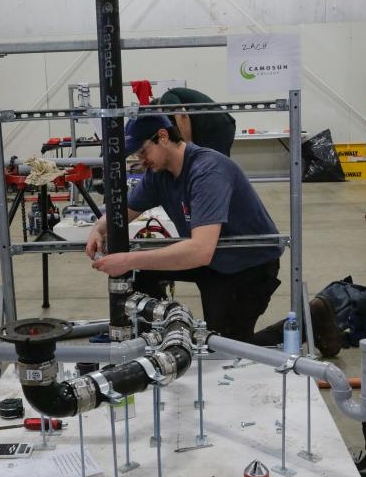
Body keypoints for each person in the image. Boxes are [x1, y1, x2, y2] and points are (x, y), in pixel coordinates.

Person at [85, 114, 282, 342]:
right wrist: (99, 229)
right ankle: (153, 335)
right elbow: (123, 212)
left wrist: (128, 260)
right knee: (139, 271)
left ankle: (318, 314)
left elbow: (200, 250)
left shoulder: (207, 171)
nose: (141, 160)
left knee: (223, 349)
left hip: (246, 265)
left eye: (143, 151)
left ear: (163, 136)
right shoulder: (158, 174)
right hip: (213, 259)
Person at [156, 87, 236, 156]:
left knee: (213, 165)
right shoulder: (176, 100)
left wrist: (189, 147)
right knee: (214, 165)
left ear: (157, 107)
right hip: (222, 126)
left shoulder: (166, 97)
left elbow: (182, 116)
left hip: (215, 128)